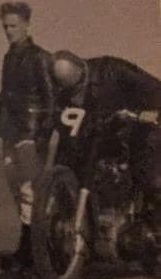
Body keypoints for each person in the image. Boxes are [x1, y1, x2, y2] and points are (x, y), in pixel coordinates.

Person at [49, 50, 160, 232]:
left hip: (136, 127)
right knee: (72, 162)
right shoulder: (62, 89)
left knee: (151, 178)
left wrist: (148, 113)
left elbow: (154, 89)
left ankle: (154, 228)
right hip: (100, 135)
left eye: (78, 90)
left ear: (83, 73)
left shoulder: (112, 70)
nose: (75, 97)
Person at [0, 2, 55, 274]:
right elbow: (4, 98)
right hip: (10, 133)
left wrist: (39, 138)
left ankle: (38, 253)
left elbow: (51, 101)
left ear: (27, 25)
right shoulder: (9, 57)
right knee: (17, 191)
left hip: (30, 134)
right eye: (5, 26)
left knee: (32, 193)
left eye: (13, 26)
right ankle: (28, 251)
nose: (8, 31)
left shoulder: (39, 57)